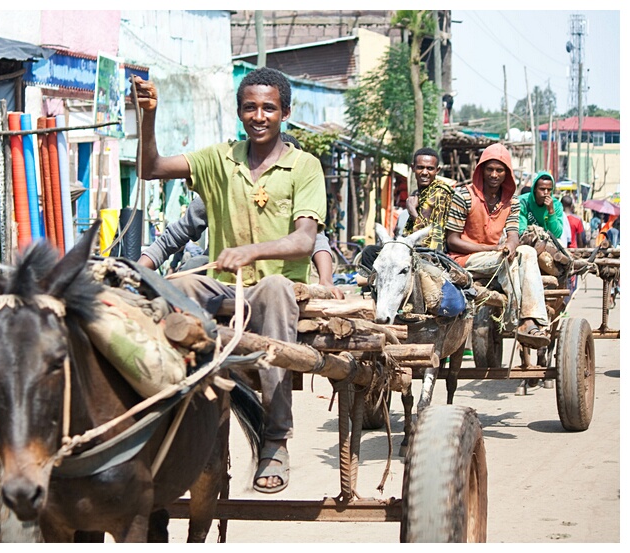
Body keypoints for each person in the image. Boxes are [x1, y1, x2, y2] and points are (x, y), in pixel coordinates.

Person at [134, 67, 327, 494]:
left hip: (276, 290)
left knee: (274, 289)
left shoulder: (304, 166)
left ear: (285, 113)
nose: (259, 116)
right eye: (250, 108)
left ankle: (274, 439)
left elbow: (304, 239)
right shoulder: (220, 159)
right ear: (240, 112)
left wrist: (253, 251)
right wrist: (148, 115)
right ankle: (171, 415)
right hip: (223, 289)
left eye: (269, 108)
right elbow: (149, 168)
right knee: (179, 288)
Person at [445, 143, 551, 349]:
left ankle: (533, 320)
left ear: (507, 173)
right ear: (481, 170)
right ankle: (519, 320)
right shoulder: (463, 196)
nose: (494, 174)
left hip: (496, 257)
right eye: (490, 169)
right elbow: (452, 240)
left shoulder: (512, 201)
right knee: (508, 264)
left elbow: (513, 234)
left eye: (499, 170)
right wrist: (490, 249)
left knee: (526, 252)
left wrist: (511, 246)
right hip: (465, 259)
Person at [137, 194, 344, 299]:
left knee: (277, 288)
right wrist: (135, 273)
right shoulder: (218, 190)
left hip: (276, 282)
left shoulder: (296, 196)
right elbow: (174, 235)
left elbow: (317, 239)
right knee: (192, 268)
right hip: (220, 277)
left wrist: (326, 281)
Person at [360, 147, 453, 271]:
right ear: (413, 167)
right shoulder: (418, 193)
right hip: (411, 249)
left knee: (371, 253)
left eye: (430, 168)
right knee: (371, 252)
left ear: (437, 170)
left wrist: (412, 211)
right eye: (420, 167)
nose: (424, 172)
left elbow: (429, 234)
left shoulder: (439, 193)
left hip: (429, 252)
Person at [517, 171, 564, 239]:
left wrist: (551, 212)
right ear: (535, 189)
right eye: (542, 189)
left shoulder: (556, 205)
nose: (546, 192)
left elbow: (557, 234)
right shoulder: (522, 201)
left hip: (549, 243)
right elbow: (521, 230)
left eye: (549, 189)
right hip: (527, 242)